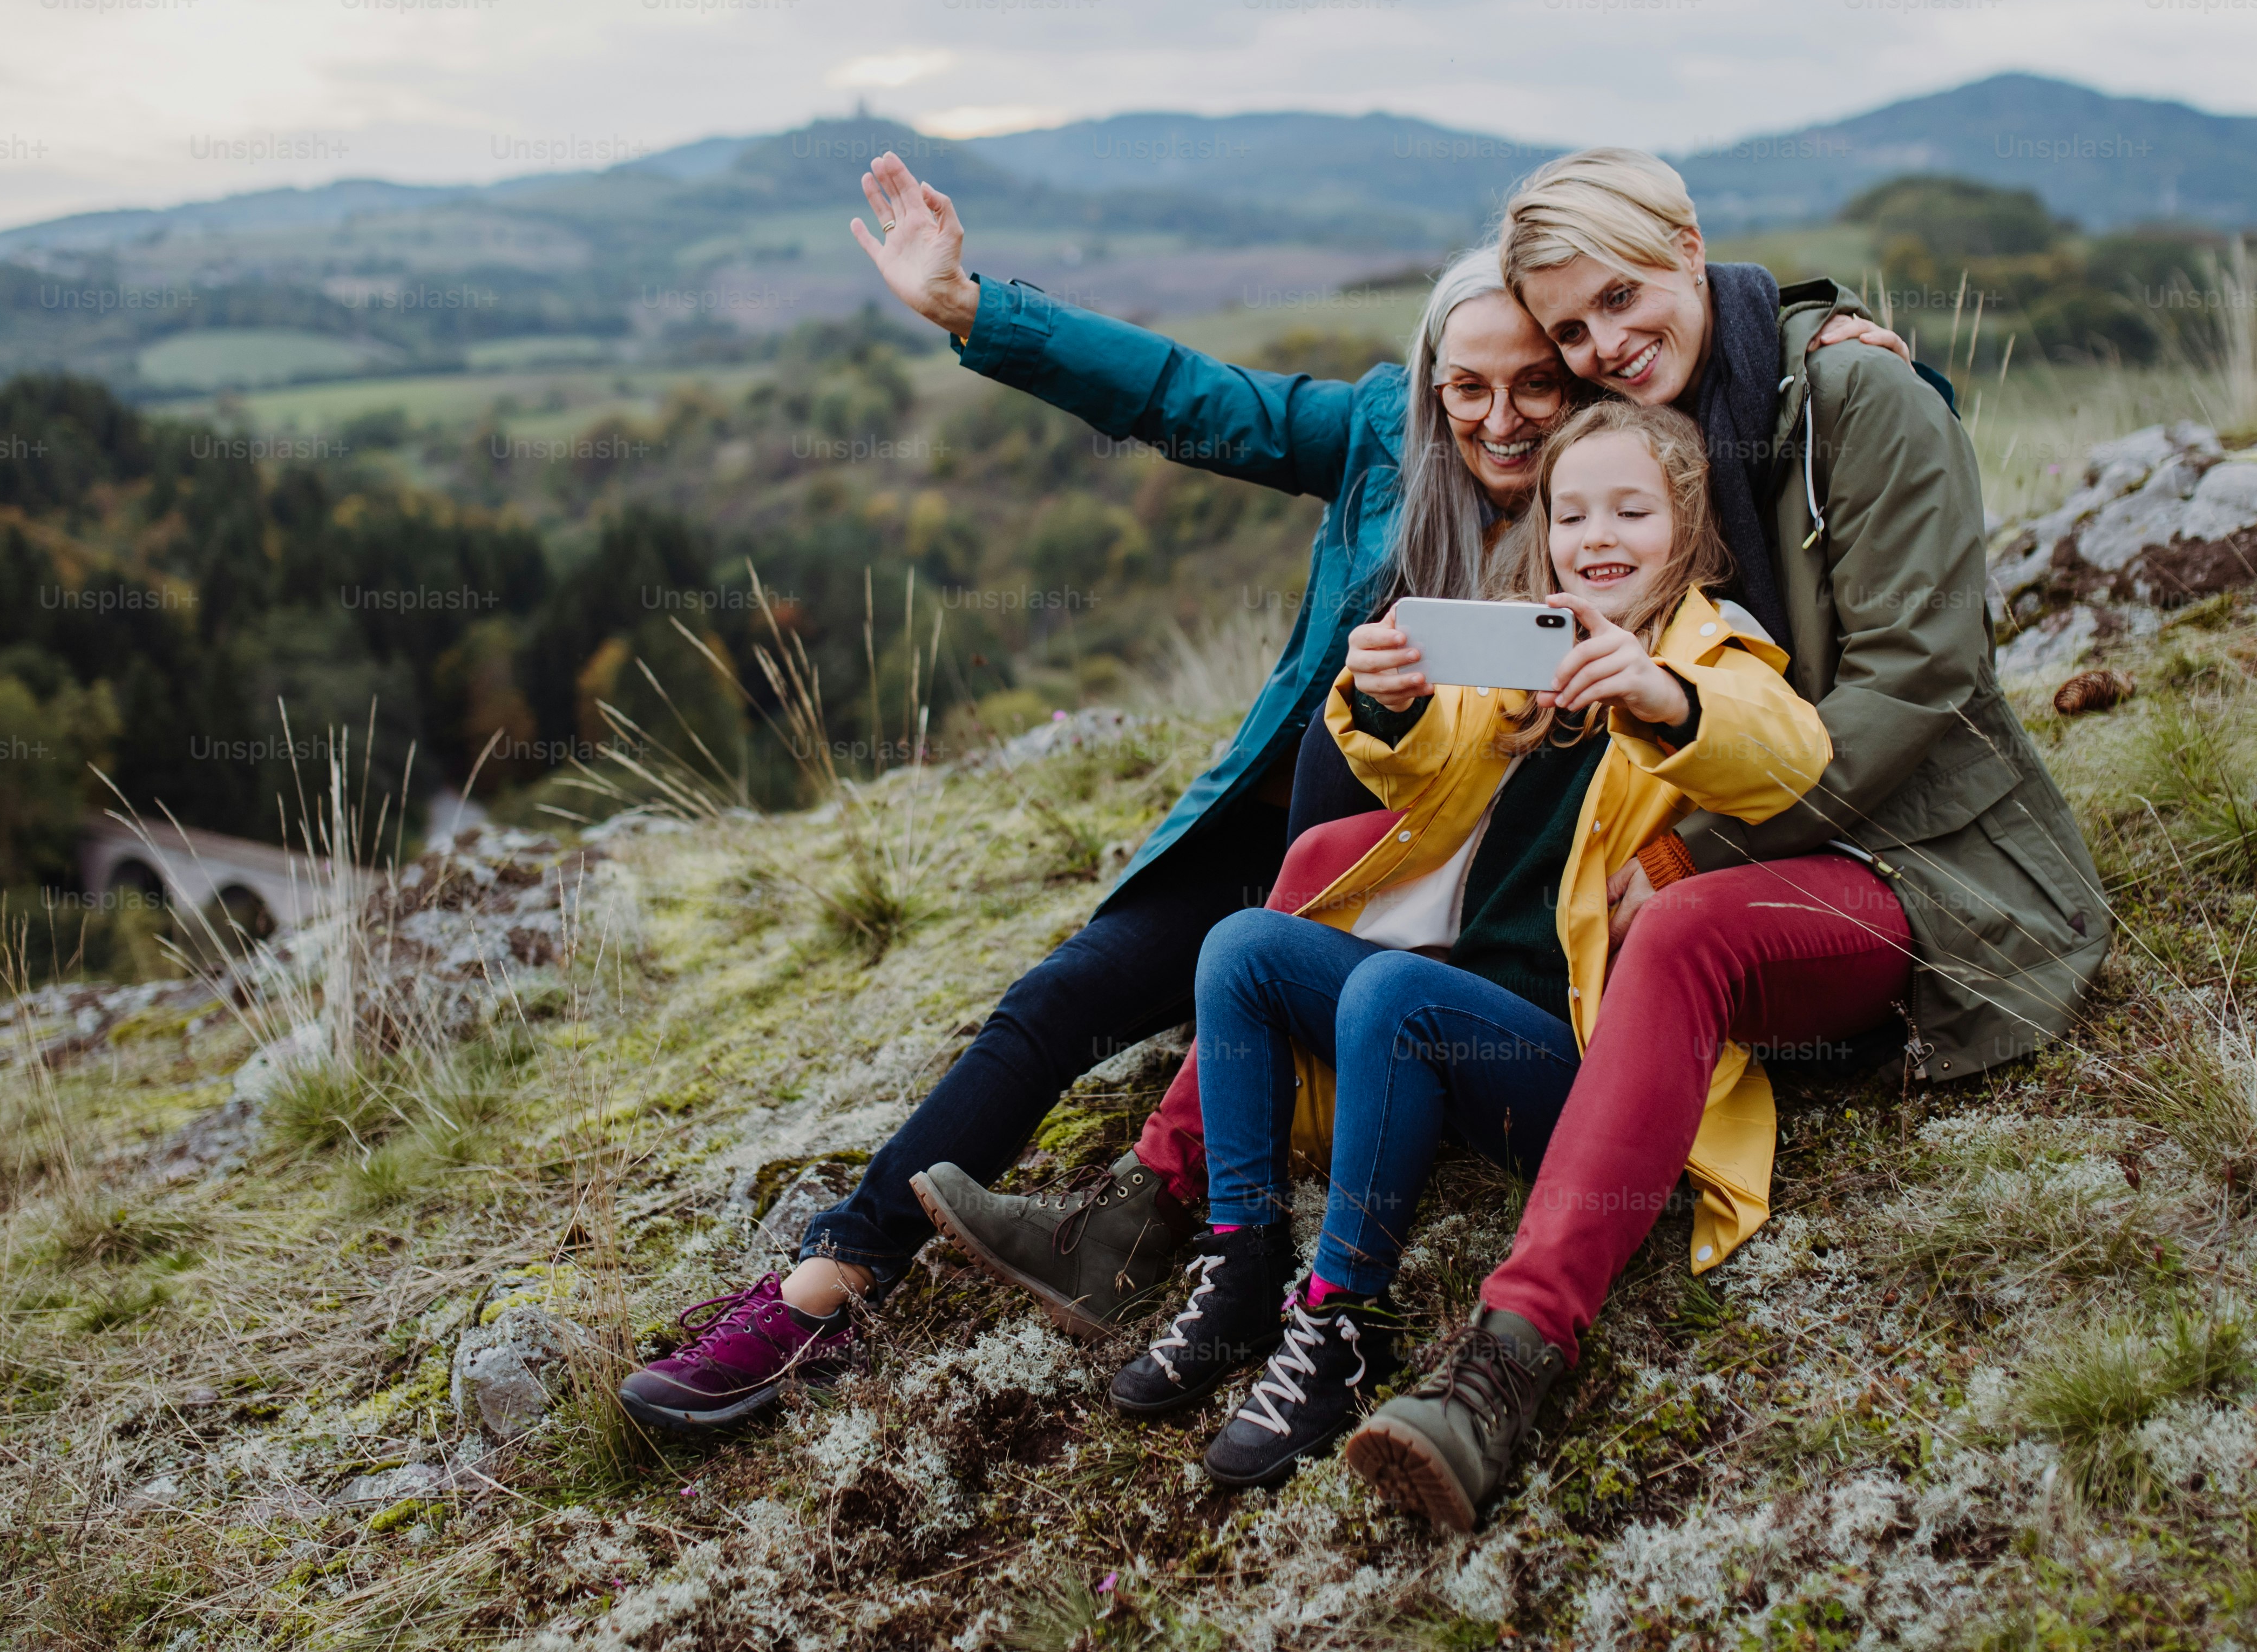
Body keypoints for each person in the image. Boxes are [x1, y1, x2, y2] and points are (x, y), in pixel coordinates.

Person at [616, 152, 1893, 1430]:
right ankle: (825, 1285)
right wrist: (969, 308)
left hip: (1457, 912)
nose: (1502, 419)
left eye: (1536, 386)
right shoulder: (1379, 443)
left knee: (1315, 905)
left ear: (1579, 392)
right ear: (1431, 383)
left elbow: (1735, 395)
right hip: (1298, 859)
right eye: (1468, 388)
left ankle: (1178, 1231)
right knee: (1061, 993)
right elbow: (1187, 395)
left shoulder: (1618, 505)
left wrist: (1825, 323)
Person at [1340, 148, 2110, 1533]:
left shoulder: (1859, 396)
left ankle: (1506, 1362)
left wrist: (1701, 845)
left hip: (1921, 856)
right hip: (1723, 822)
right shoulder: (1646, 413)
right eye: (1573, 330)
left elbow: (1919, 682)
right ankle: (1181, 1208)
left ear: (1691, 246)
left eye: (1624, 298)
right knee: (1347, 854)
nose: (1604, 345)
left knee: (1684, 925)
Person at [1113, 403, 1831, 1489]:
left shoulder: (1713, 649)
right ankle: (1242, 1257)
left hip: (1576, 1066)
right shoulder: (1520, 654)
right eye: (1572, 511)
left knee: (1398, 989)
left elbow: (1786, 756)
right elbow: (1418, 765)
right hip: (1457, 1026)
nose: (1597, 537)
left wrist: (1663, 694)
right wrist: (1382, 695)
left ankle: (1346, 1316)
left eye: (1631, 511)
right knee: (1244, 947)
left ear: (1686, 529)